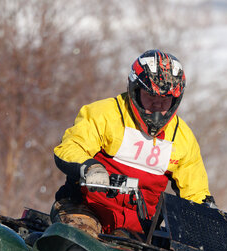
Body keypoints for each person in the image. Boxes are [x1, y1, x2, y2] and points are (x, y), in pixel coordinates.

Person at [52, 49, 215, 237]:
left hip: (135, 231)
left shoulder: (183, 139)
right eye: (150, 97)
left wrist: (208, 215)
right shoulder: (104, 114)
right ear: (135, 91)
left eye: (165, 101)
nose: (157, 107)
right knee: (82, 246)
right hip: (83, 210)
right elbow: (70, 147)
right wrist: (91, 168)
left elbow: (195, 194)